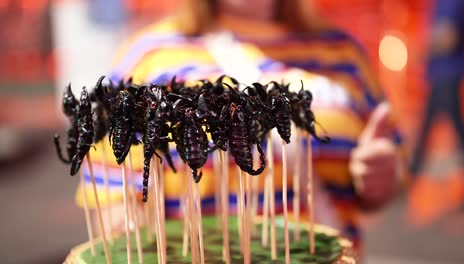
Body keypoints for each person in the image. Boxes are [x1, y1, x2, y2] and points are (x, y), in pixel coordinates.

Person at [81, 0, 403, 254]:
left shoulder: (342, 54)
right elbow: (111, 195)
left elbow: (390, 172)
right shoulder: (148, 57)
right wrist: (123, 223)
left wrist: (381, 177)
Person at [410, 0, 464, 175]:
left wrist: (422, 46)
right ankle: (412, 173)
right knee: (430, 128)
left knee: (453, 130)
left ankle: (412, 173)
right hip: (440, 75)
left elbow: (448, 36)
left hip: (447, 75)